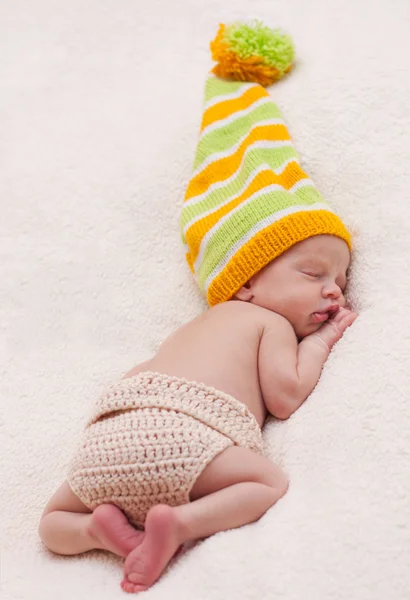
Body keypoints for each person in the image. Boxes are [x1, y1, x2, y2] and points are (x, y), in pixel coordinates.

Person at [38, 21, 357, 594]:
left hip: (107, 439)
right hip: (187, 439)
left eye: (339, 279)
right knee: (267, 484)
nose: (333, 290)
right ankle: (179, 524)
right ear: (244, 284)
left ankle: (96, 532)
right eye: (312, 274)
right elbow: (284, 396)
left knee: (51, 523)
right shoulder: (264, 322)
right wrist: (322, 341)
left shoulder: (196, 325)